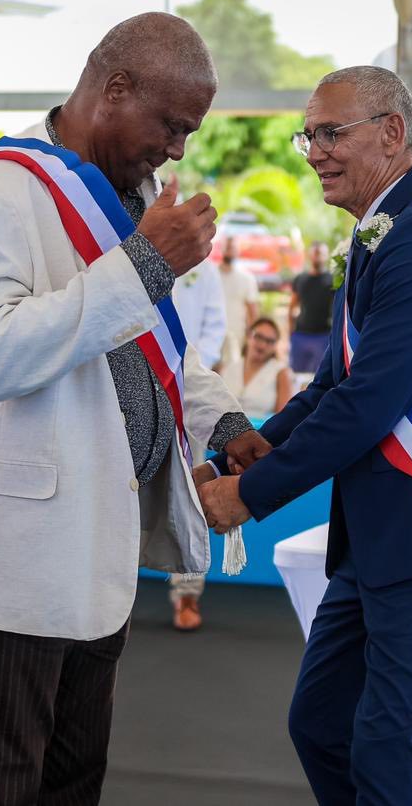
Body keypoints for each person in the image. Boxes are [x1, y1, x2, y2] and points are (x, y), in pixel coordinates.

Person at [0, 13, 268, 806]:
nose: (177, 150)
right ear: (115, 89)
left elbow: (151, 345)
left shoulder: (130, 194)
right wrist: (142, 264)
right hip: (17, 557)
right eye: (171, 125)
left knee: (74, 782)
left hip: (97, 542)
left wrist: (222, 420)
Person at [198, 66, 412, 805]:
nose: (314, 152)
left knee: (390, 759)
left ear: (392, 133)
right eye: (309, 136)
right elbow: (332, 385)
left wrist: (252, 494)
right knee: (322, 726)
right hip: (376, 543)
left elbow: (369, 402)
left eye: (331, 133)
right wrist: (246, 449)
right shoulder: (379, 234)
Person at [165, 255, 228, 630]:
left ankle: (187, 592)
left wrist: (185, 374)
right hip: (129, 387)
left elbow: (215, 328)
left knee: (188, 490)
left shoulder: (204, 271)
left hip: (188, 389)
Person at [221, 317, 294, 418]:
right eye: (258, 337)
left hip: (262, 427)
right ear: (248, 336)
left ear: (275, 346)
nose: (262, 345)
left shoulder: (281, 372)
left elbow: (283, 418)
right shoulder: (229, 368)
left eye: (270, 341)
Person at [171, 254, 226, 370]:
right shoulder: (151, 257)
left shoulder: (207, 270)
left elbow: (215, 327)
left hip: (191, 364)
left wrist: (197, 365)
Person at [287, 241, 334, 373]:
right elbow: (292, 307)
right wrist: (290, 333)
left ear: (326, 255)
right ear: (309, 255)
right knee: (296, 375)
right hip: (300, 335)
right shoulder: (300, 279)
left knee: (318, 375)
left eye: (321, 253)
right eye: (315, 252)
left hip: (323, 335)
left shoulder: (333, 280)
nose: (317, 256)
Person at [218, 236, 259, 367]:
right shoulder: (211, 275)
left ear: (238, 251)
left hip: (235, 335)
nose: (230, 250)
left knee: (230, 371)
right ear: (221, 249)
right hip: (212, 333)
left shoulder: (247, 278)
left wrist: (251, 337)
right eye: (227, 247)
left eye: (233, 247)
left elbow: (252, 311)